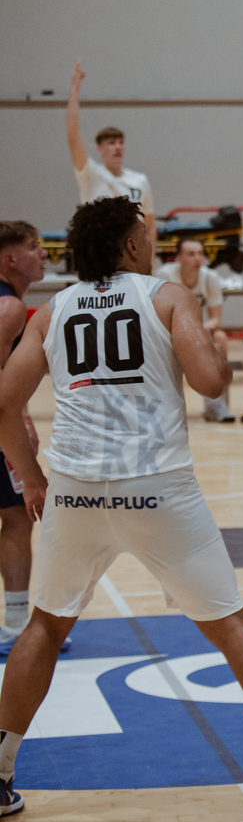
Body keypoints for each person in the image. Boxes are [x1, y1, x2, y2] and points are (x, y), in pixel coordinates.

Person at [0, 197, 243, 819]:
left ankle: (1, 769)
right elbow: (211, 382)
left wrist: (32, 479)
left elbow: (5, 404)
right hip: (156, 489)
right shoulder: (166, 296)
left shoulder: (52, 310)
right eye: (146, 235)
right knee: (233, 629)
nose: (153, 244)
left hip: (75, 490)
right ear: (130, 245)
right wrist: (213, 348)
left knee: (45, 627)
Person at [0, 223, 49, 655]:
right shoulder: (10, 307)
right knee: (17, 516)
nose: (44, 253)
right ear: (10, 259)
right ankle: (16, 623)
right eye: (34, 247)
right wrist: (19, 421)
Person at [65, 62, 154, 236]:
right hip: (100, 244)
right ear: (100, 149)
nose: (118, 147)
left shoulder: (139, 180)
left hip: (130, 245)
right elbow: (73, 138)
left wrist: (150, 253)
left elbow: (149, 223)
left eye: (121, 142)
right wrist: (75, 89)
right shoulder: (90, 174)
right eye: (112, 143)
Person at [157, 237, 235, 423]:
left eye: (200, 253)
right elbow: (159, 317)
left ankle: (215, 405)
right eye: (191, 254)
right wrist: (186, 333)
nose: (198, 258)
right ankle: (164, 407)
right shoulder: (164, 277)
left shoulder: (210, 277)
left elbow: (216, 318)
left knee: (220, 338)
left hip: (197, 333)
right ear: (178, 258)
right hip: (170, 334)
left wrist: (196, 332)